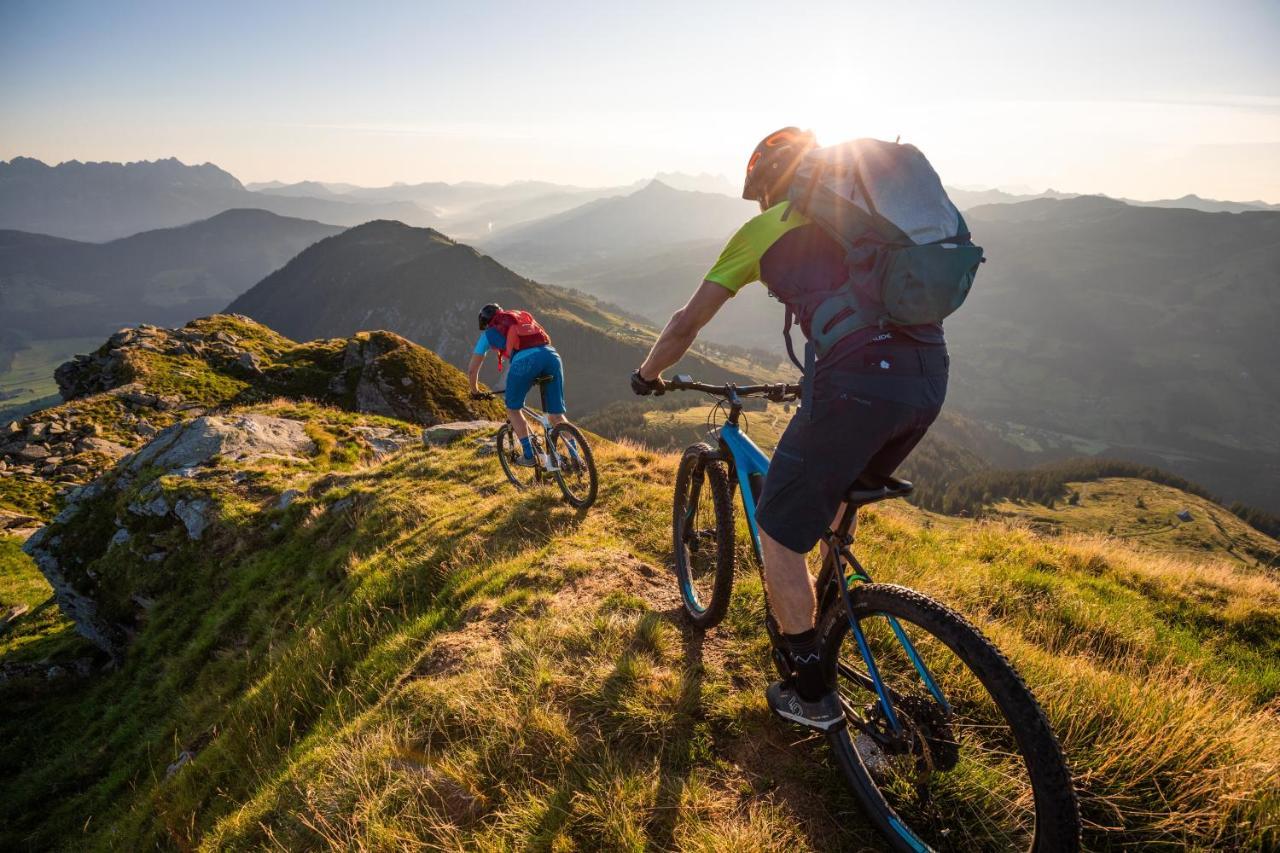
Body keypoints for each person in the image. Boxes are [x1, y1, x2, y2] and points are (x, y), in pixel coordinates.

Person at [630, 127, 950, 731]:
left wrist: (648, 374)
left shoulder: (764, 229)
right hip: (928, 376)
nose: (761, 209)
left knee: (776, 532)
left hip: (856, 383)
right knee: (824, 505)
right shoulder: (869, 216)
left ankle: (809, 691)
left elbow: (684, 324)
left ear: (768, 187)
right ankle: (826, 620)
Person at [469, 303, 571, 467]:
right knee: (556, 416)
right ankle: (578, 459)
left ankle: (529, 456)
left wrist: (475, 391)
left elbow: (472, 370)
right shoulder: (519, 320)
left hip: (526, 361)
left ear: (486, 322)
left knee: (513, 409)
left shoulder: (489, 334)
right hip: (551, 355)